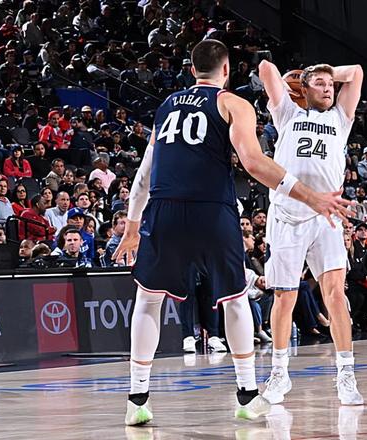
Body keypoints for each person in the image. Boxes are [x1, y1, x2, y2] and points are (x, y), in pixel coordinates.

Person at [112, 39, 352, 426]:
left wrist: (132, 224)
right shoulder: (232, 103)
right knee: (235, 298)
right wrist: (313, 197)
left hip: (163, 207)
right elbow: (254, 163)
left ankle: (137, 399)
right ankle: (247, 395)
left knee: (148, 300)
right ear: (226, 71)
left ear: (193, 70)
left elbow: (144, 171)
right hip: (211, 208)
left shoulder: (166, 106)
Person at [258, 58, 364, 406]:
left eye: (331, 84)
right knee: (285, 296)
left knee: (335, 294)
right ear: (303, 89)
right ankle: (279, 372)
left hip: (326, 216)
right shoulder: (288, 113)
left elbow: (356, 72)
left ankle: (346, 374)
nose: (328, 88)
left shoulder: (340, 118)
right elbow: (265, 68)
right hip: (287, 215)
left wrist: (327, 72)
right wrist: (298, 80)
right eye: (320, 84)